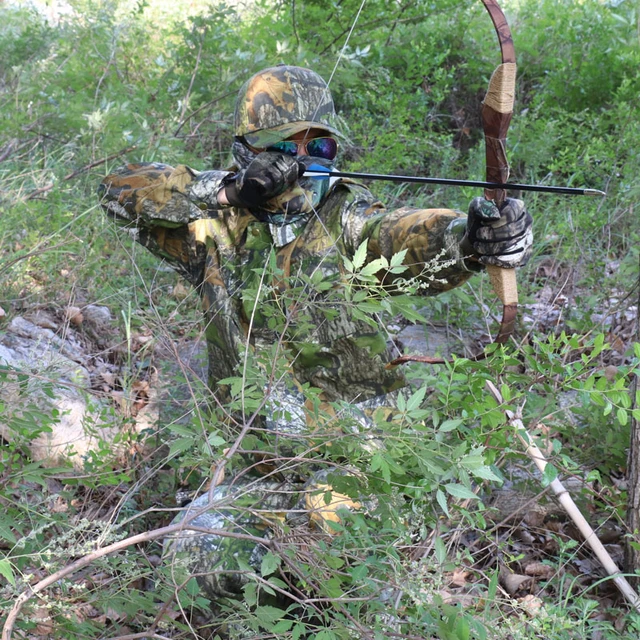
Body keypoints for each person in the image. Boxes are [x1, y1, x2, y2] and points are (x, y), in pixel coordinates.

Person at [99, 65, 532, 618]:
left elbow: (408, 234)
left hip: (359, 461)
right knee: (196, 561)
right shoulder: (213, 230)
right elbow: (120, 189)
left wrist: (474, 239)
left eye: (320, 146)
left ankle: (357, 612)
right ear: (246, 153)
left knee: (331, 529)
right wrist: (230, 189)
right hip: (259, 465)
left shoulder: (349, 221)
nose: (305, 164)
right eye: (285, 150)